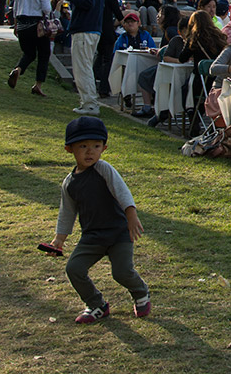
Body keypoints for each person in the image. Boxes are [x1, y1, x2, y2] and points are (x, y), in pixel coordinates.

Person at [48, 116, 150, 324]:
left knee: (121, 272)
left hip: (118, 233)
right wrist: (59, 239)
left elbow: (121, 191)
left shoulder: (103, 169)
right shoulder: (69, 183)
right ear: (70, 149)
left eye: (96, 146)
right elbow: (67, 212)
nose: (90, 151)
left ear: (104, 148)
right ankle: (96, 305)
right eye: (83, 146)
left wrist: (131, 215)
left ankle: (140, 292)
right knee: (74, 269)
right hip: (92, 237)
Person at [8, 0, 52, 98]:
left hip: (21, 24)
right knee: (44, 54)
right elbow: (46, 9)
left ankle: (18, 69)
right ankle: (37, 85)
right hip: (37, 25)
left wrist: (15, 25)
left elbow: (15, 7)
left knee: (29, 53)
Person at [68, 0, 103, 116]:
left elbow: (88, 3)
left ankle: (89, 103)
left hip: (85, 29)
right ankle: (87, 102)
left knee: (83, 67)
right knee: (84, 66)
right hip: (89, 28)